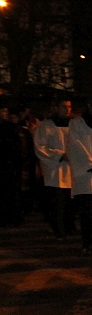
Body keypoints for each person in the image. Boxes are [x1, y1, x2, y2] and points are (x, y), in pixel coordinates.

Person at [68, 93, 92, 255]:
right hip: (85, 173)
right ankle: (87, 242)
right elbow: (75, 146)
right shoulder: (77, 124)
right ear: (90, 107)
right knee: (86, 212)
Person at [33, 97, 76, 239]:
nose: (67, 110)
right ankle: (58, 229)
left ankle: (69, 227)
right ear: (56, 108)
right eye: (64, 106)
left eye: (69, 107)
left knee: (70, 202)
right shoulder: (46, 126)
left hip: (71, 169)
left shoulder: (75, 125)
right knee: (57, 203)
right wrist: (59, 155)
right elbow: (40, 147)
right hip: (55, 170)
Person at [0, 95, 25, 226]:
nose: (4, 114)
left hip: (9, 165)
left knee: (10, 193)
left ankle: (11, 217)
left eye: (5, 111)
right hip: (6, 164)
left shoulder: (10, 128)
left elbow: (17, 148)